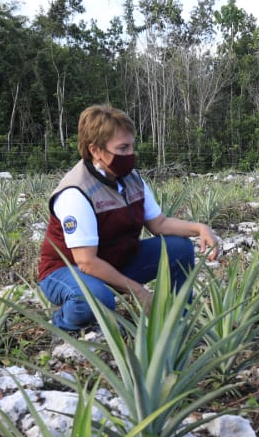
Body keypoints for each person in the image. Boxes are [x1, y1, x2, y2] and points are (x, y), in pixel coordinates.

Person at [37, 104, 219, 333]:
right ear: (95, 150)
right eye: (122, 148)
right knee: (96, 299)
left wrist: (200, 228)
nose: (130, 155)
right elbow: (86, 262)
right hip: (67, 269)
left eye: (132, 146)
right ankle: (64, 322)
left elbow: (159, 224)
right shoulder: (76, 192)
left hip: (114, 260)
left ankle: (178, 319)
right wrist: (139, 291)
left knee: (179, 248)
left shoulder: (131, 179)